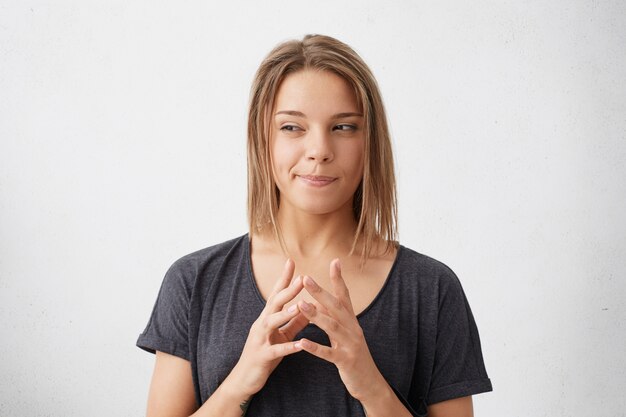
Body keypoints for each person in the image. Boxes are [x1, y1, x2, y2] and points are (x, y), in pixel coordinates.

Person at [136, 34, 492, 417]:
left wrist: (370, 384)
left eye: (344, 127)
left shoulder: (431, 290)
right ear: (263, 139)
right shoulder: (194, 282)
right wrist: (243, 378)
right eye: (292, 127)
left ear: (370, 141)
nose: (320, 149)